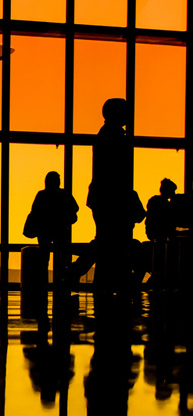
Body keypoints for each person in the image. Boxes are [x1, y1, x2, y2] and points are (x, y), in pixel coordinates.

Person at [86, 98, 144, 292]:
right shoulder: (116, 138)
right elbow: (118, 176)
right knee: (112, 243)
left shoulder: (106, 135)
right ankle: (101, 280)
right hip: (113, 199)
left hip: (104, 198)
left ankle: (95, 280)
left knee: (106, 243)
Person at [28, 171, 79, 286]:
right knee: (60, 257)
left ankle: (42, 282)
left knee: (44, 257)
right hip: (60, 230)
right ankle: (60, 281)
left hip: (44, 230)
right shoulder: (64, 194)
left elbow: (35, 211)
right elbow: (75, 207)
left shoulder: (41, 195)